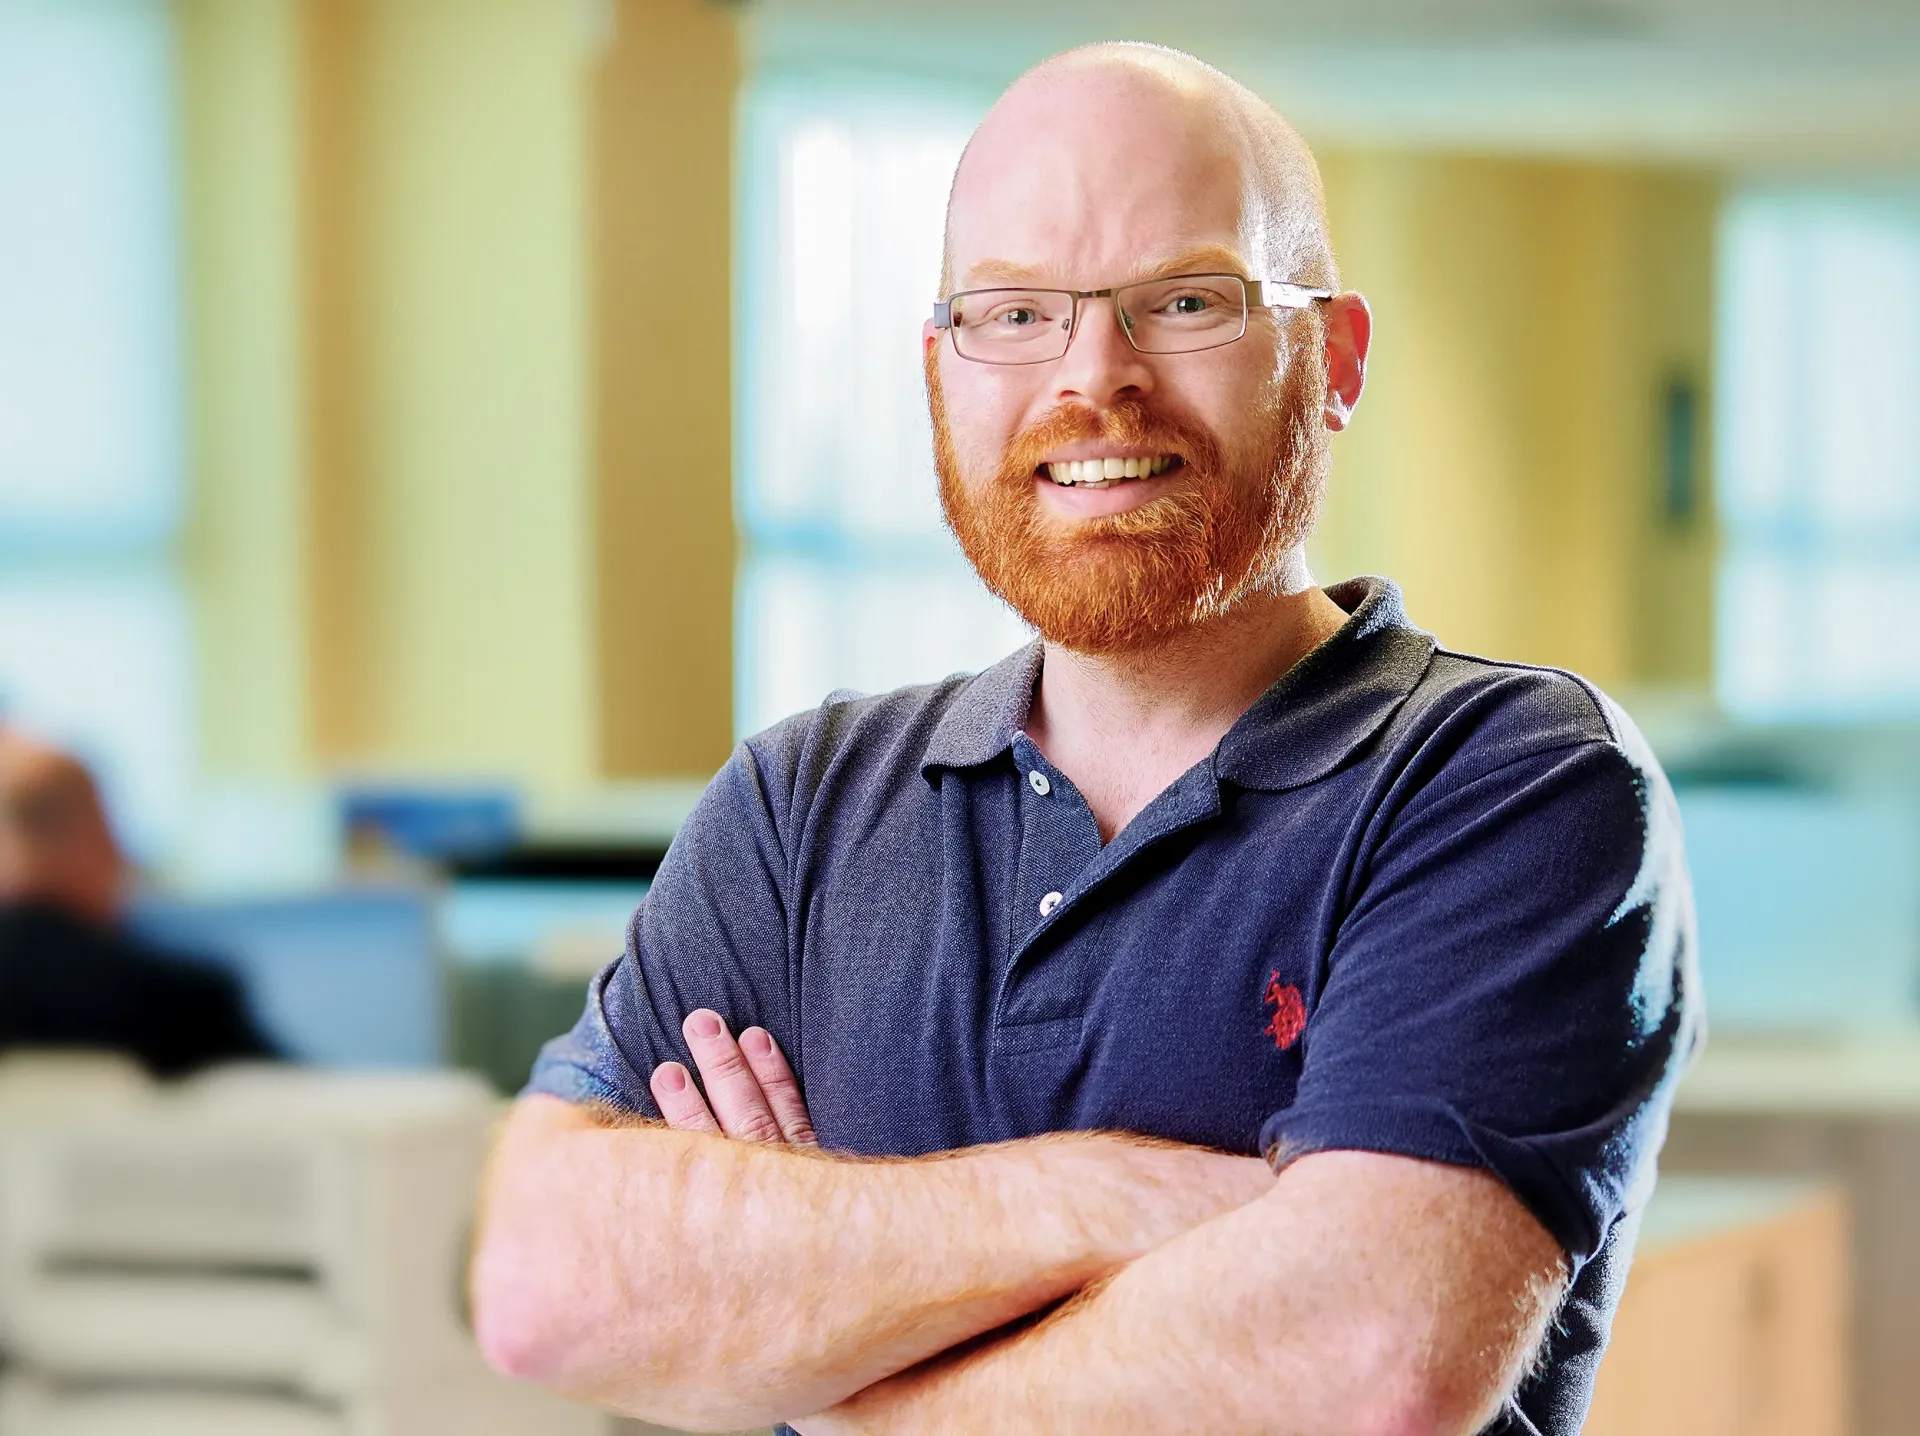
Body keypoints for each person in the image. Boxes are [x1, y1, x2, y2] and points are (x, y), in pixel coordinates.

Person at [471, 41, 1699, 1436]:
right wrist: (1111, 1198)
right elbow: (542, 1284)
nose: (1094, 380)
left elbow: (1365, 1367)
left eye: (1186, 300)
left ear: (1334, 358)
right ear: (942, 369)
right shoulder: (800, 809)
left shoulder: (1509, 780)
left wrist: (829, 1344)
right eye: (1014, 312)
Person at [0, 724, 277, 1077]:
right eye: (107, 829)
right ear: (88, 839)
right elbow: (304, 1098)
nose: (121, 854)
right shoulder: (180, 1001)